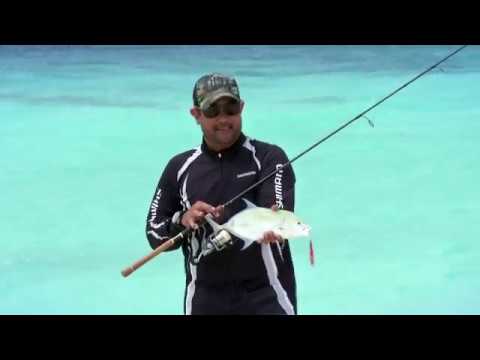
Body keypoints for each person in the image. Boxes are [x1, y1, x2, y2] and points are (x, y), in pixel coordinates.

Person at [146, 73, 297, 315]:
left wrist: (273, 226)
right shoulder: (179, 167)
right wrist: (182, 220)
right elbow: (154, 232)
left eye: (231, 109)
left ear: (242, 108)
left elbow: (277, 210)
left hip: (267, 297)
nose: (224, 119)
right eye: (212, 111)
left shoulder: (270, 158)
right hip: (204, 300)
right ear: (196, 115)